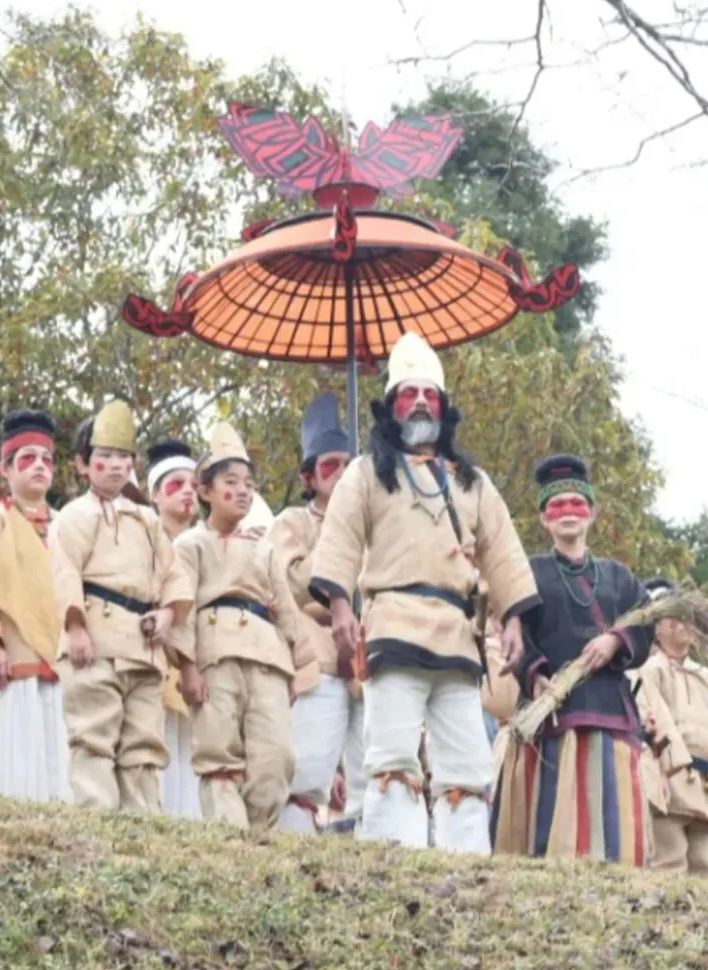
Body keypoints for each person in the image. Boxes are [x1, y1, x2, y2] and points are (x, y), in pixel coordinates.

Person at [308, 333, 536, 853]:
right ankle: (397, 858)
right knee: (391, 755)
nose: (418, 403)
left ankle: (467, 864)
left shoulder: (473, 483)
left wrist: (514, 620)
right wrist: (341, 606)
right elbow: (340, 539)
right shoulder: (365, 473)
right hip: (393, 625)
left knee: (467, 764)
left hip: (458, 634)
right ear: (391, 405)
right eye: (408, 393)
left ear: (443, 406)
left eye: (428, 394)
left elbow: (503, 553)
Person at [491, 454, 652, 863]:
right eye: (556, 505)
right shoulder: (527, 573)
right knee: (550, 818)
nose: (567, 512)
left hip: (609, 708)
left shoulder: (619, 576)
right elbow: (515, 632)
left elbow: (646, 620)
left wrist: (615, 640)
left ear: (592, 513)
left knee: (612, 820)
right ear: (543, 518)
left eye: (577, 504)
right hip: (551, 711)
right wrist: (535, 675)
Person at [52, 401, 193, 812]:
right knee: (94, 735)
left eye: (123, 457)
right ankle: (98, 817)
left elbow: (173, 574)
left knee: (143, 743)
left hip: (142, 645)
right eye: (105, 456)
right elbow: (64, 573)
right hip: (95, 637)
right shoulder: (74, 516)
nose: (116, 465)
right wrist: (75, 628)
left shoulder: (147, 519)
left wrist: (167, 614)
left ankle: (141, 822)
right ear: (83, 464)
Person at [172, 423, 304, 832]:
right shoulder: (189, 545)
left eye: (248, 484)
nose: (243, 491)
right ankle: (229, 837)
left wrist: (295, 665)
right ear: (205, 491)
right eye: (231, 482)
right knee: (218, 752)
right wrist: (187, 666)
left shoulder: (264, 549)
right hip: (215, 653)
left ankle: (260, 838)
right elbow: (182, 607)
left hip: (267, 655)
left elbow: (286, 610)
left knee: (276, 755)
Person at [0, 408, 71, 802]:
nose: (40, 466)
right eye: (27, 458)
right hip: (12, 659)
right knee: (17, 768)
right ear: (4, 470)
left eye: (47, 459)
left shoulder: (66, 524)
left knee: (62, 763)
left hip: (63, 662)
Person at [271, 393, 365, 836]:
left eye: (349, 465)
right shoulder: (290, 524)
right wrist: (338, 535)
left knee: (378, 773)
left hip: (370, 659)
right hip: (318, 662)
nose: (342, 473)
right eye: (331, 466)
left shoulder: (373, 523)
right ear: (309, 476)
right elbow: (294, 581)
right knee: (306, 775)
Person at [630, 581, 708, 877]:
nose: (683, 624)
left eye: (688, 617)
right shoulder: (648, 670)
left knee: (705, 866)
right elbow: (650, 722)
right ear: (656, 627)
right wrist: (659, 772)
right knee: (668, 862)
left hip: (707, 783)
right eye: (674, 617)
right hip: (668, 779)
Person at [144, 435, 203, 819]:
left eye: (194, 486)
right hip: (157, 657)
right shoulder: (144, 540)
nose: (187, 493)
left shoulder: (208, 542)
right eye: (175, 484)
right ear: (154, 494)